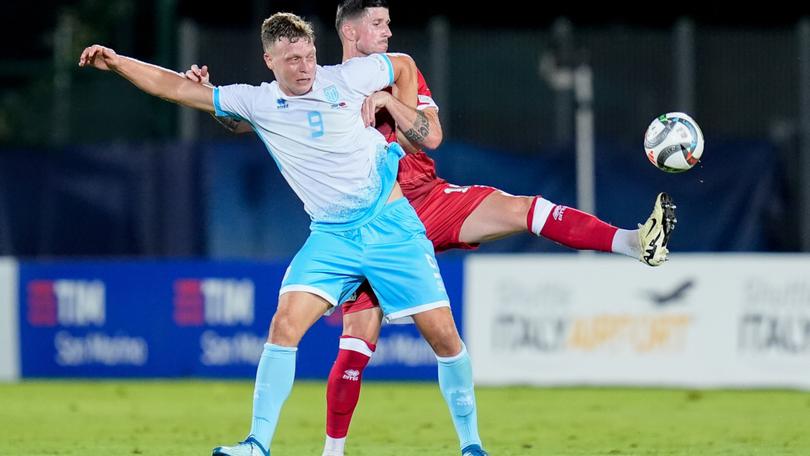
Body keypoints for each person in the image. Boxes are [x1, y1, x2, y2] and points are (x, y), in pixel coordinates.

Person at [187, 2, 676, 456]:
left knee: (523, 208)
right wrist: (210, 98)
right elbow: (259, 118)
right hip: (362, 226)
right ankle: (331, 451)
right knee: (356, 343)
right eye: (379, 24)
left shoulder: (395, 70)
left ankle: (632, 242)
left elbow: (431, 138)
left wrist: (388, 102)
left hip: (422, 200)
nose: (389, 31)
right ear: (350, 30)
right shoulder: (316, 80)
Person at [79, 12, 489, 456]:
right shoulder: (257, 102)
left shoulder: (347, 77)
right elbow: (175, 88)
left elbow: (404, 63)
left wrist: (399, 116)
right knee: (284, 324)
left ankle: (471, 445)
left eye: (309, 56)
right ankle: (257, 443)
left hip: (391, 226)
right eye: (292, 59)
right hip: (332, 237)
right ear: (269, 60)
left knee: (444, 337)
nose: (304, 67)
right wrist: (119, 62)